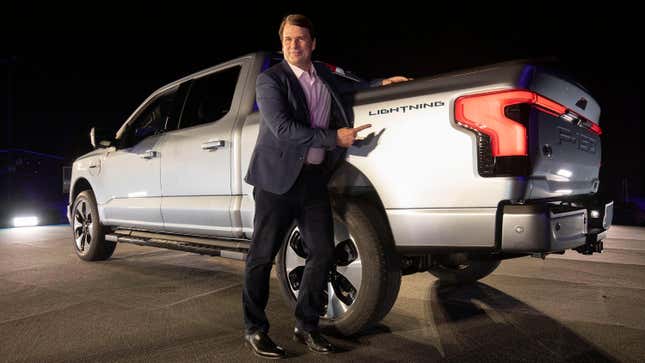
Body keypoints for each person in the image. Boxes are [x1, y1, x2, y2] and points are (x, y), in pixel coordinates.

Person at [242, 14, 410, 358]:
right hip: (276, 182)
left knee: (322, 252)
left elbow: (351, 87)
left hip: (313, 181)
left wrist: (381, 85)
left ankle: (306, 326)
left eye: (301, 39)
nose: (294, 45)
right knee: (261, 257)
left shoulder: (324, 77)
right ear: (282, 42)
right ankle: (255, 329)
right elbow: (284, 130)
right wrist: (336, 137)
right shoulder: (270, 81)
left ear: (313, 43)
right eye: (288, 40)